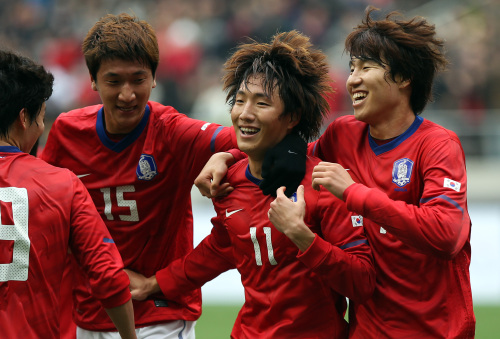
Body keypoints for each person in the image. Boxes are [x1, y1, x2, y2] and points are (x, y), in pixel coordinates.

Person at [195, 7, 475, 338]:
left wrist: (354, 193)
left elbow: (445, 235)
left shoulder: (438, 145)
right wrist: (229, 154)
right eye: (352, 67)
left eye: (366, 67)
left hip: (435, 330)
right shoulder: (343, 134)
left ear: (403, 78)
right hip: (367, 331)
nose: (353, 78)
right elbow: (285, 150)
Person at [125, 30, 375, 338]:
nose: (245, 113)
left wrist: (302, 237)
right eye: (240, 100)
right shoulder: (228, 182)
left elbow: (362, 281)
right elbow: (220, 248)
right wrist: (154, 284)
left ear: (292, 116)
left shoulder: (322, 185)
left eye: (261, 103)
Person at [39, 13, 243, 339]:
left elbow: (251, 140)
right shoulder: (67, 131)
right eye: (114, 80)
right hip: (90, 314)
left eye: (138, 79)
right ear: (92, 80)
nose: (127, 94)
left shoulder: (173, 132)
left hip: (159, 316)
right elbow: (46, 209)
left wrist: (226, 155)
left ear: (154, 78)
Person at [0, 50, 136, 339]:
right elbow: (109, 276)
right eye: (42, 117)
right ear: (24, 118)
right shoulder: (62, 184)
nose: (41, 127)